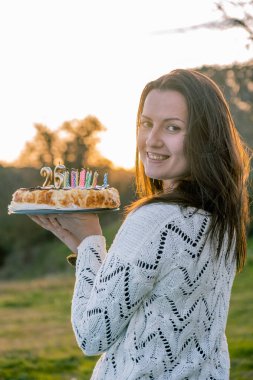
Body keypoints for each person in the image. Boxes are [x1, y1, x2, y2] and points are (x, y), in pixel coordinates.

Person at [29, 68, 252, 379]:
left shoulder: (154, 220)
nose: (152, 140)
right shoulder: (220, 219)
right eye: (146, 124)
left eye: (172, 128)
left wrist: (92, 241)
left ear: (206, 137)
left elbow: (92, 336)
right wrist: (82, 247)